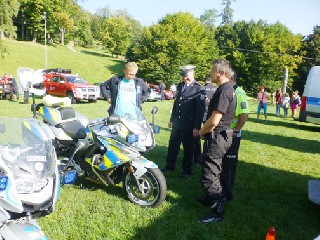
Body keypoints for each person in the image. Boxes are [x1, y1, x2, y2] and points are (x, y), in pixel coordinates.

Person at [197, 59, 236, 224]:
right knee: (215, 169)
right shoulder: (227, 89)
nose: (210, 74)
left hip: (218, 137)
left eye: (213, 71)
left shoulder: (224, 91)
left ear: (221, 73)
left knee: (209, 175)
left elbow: (214, 120)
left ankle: (217, 209)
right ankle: (209, 198)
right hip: (221, 137)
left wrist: (201, 131)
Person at [162, 65, 205, 179]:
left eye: (187, 76)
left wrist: (197, 127)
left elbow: (200, 110)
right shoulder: (180, 86)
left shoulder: (199, 88)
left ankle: (187, 171)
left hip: (189, 124)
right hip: (177, 122)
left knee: (188, 149)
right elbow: (176, 104)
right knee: (173, 145)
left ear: (193, 74)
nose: (185, 78)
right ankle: (169, 166)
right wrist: (172, 120)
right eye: (183, 76)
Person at [220, 70, 250, 202]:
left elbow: (244, 115)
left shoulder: (239, 93)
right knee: (222, 163)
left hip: (232, 134)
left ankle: (227, 193)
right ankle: (221, 189)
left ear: (231, 78)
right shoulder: (229, 91)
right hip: (224, 133)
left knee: (229, 165)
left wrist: (236, 131)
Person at [194, 77, 217, 165]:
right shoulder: (216, 89)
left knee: (197, 136)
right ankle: (207, 156)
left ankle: (197, 158)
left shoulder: (202, 88)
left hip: (200, 113)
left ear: (206, 81)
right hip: (210, 115)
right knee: (209, 137)